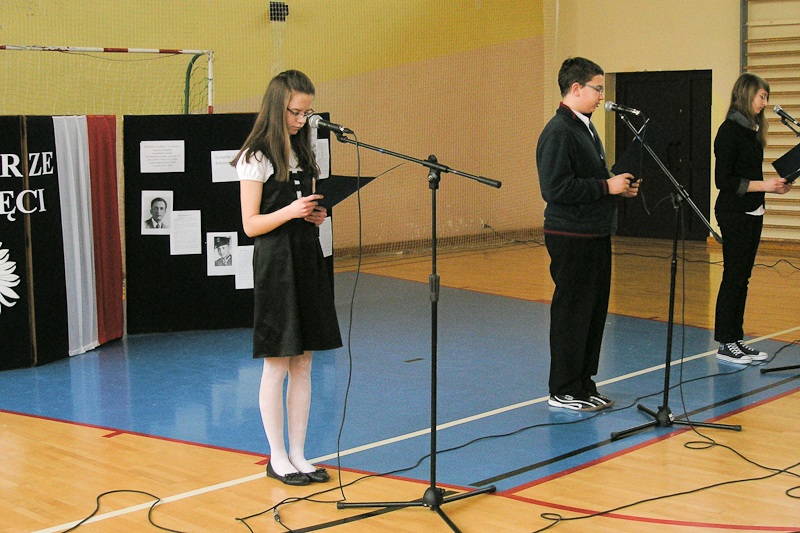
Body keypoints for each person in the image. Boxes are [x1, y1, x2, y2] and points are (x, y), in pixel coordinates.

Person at [233, 70, 342, 486]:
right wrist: (290, 212)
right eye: (295, 112)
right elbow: (250, 224)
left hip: (306, 257)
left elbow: (303, 210)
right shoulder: (255, 156)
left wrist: (315, 214)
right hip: (276, 264)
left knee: (304, 362)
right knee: (278, 360)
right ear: (277, 107)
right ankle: (276, 456)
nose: (301, 120)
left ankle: (299, 453)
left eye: (306, 113)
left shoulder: (304, 151)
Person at [536, 57, 640, 412]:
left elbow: (589, 179)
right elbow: (555, 188)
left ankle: (583, 382)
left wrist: (616, 186)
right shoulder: (558, 131)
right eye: (597, 88)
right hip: (570, 234)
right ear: (576, 88)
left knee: (593, 311)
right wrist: (605, 186)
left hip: (594, 231)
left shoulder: (586, 128)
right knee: (573, 311)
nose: (601, 96)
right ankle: (563, 387)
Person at [713, 73, 791, 364]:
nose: (765, 102)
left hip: (753, 209)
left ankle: (736, 339)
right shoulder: (729, 131)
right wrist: (764, 185)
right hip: (733, 211)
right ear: (746, 95)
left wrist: (776, 187)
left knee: (742, 278)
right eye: (761, 96)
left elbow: (751, 175)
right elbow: (724, 180)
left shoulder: (751, 132)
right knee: (733, 276)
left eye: (766, 97)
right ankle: (725, 342)